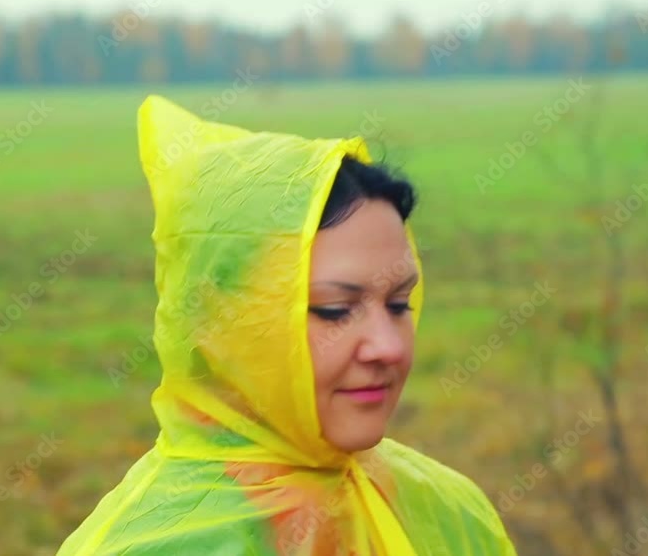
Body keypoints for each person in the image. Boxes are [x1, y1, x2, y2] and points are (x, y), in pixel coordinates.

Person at [55, 95, 516, 555]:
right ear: (221, 322)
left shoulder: (451, 514)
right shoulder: (150, 547)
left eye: (398, 304)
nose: (388, 347)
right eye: (335, 309)